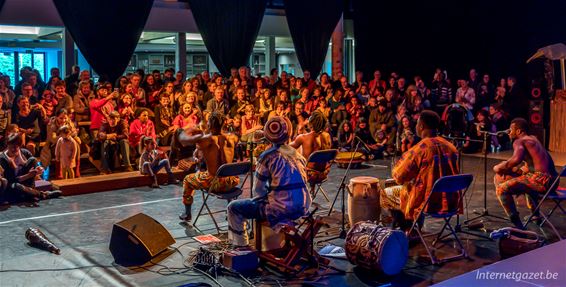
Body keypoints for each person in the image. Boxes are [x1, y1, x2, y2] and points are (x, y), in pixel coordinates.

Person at [227, 117, 311, 247]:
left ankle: (240, 246)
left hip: (281, 209)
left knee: (233, 207)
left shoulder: (267, 156)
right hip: (303, 206)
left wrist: (267, 196)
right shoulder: (298, 155)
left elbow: (258, 190)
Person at [380, 110, 460, 231]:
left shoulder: (421, 148)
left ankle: (408, 229)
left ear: (421, 126)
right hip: (450, 200)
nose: (416, 126)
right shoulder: (450, 146)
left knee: (385, 193)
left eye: (417, 123)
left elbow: (399, 176)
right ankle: (415, 226)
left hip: (426, 202)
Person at [493, 118, 557, 228]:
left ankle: (517, 225)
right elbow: (532, 165)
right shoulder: (533, 138)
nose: (509, 132)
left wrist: (498, 167)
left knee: (501, 188)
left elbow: (515, 160)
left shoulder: (520, 141)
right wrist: (515, 170)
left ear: (518, 131)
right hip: (554, 180)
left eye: (511, 129)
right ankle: (536, 216)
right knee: (521, 178)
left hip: (542, 181)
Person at [177, 112, 239, 223]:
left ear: (209, 124)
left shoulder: (207, 139)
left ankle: (187, 214)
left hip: (213, 183)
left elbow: (182, 140)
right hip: (231, 182)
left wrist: (191, 129)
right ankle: (230, 210)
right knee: (225, 172)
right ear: (223, 124)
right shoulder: (233, 137)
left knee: (187, 179)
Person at [0, 133, 61, 205]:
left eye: (16, 147)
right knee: (16, 186)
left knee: (32, 159)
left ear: (19, 146)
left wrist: (38, 170)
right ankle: (43, 195)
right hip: (14, 185)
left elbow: (35, 169)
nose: (13, 149)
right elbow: (11, 181)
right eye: (11, 147)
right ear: (7, 145)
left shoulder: (24, 153)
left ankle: (31, 194)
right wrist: (28, 175)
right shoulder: (3, 159)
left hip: (28, 183)